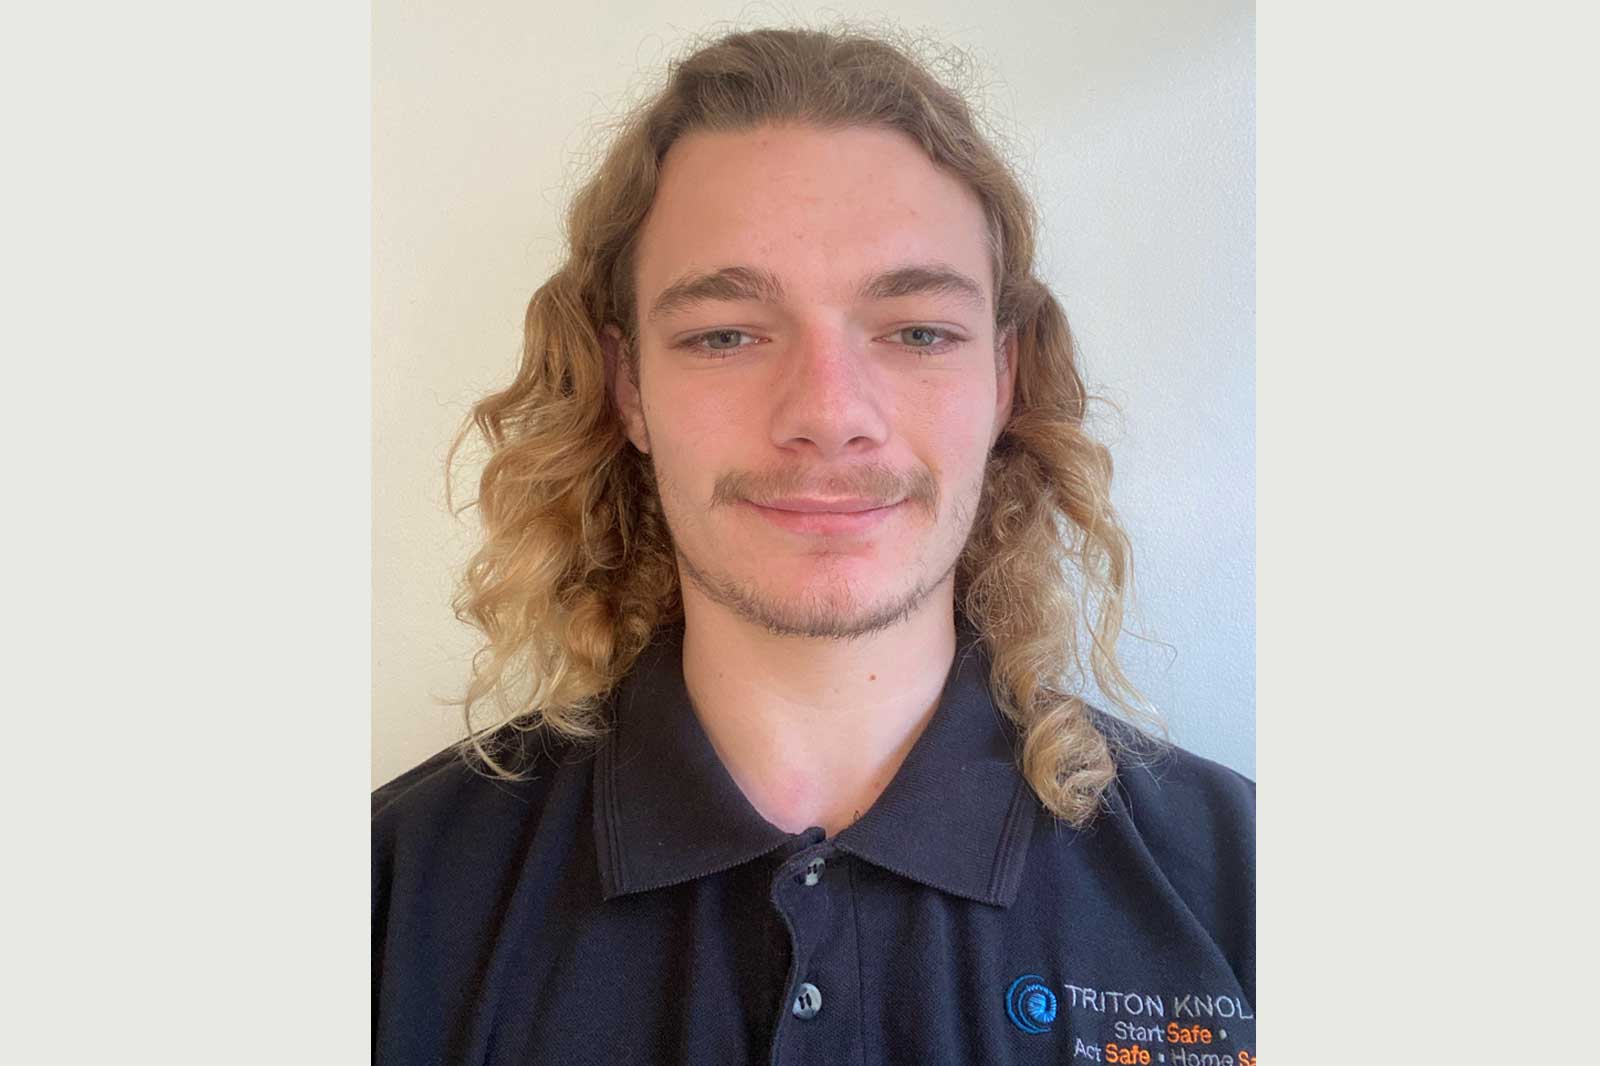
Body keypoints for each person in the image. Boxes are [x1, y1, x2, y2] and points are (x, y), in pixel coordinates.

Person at [372, 24, 1254, 1065]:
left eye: (918, 330)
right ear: (628, 388)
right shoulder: (396, 893)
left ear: (1003, 380)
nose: (830, 413)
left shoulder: (1236, 880)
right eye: (727, 335)